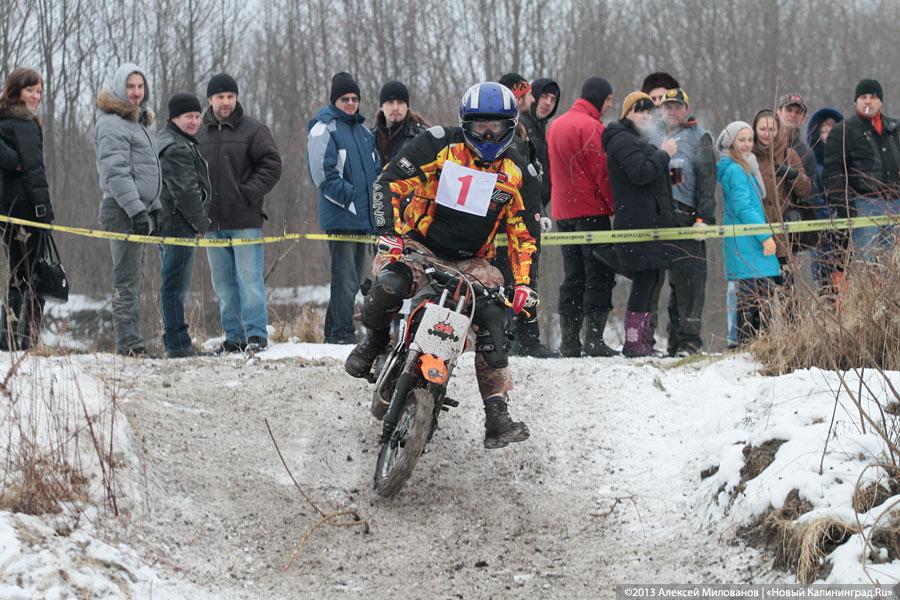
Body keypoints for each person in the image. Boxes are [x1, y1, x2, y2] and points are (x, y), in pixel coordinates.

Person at [346, 81, 538, 449]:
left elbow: (523, 235)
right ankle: (373, 342)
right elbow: (389, 181)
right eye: (480, 124)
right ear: (465, 122)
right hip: (418, 243)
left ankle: (496, 412)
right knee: (389, 284)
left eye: (495, 126)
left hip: (472, 261)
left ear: (510, 126)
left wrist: (525, 286)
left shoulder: (519, 172)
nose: (486, 133)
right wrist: (389, 231)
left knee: (495, 317)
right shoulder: (438, 143)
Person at [198, 73, 282, 353]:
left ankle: (256, 334)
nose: (225, 102)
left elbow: (271, 164)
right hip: (211, 222)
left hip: (245, 220)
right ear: (210, 100)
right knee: (223, 284)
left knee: (250, 280)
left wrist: (247, 192)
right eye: (220, 97)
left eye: (230, 97)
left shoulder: (253, 130)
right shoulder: (199, 133)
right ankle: (234, 336)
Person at [601, 92, 677, 357]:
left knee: (654, 277)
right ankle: (633, 342)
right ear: (626, 113)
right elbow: (641, 173)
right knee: (644, 280)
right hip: (636, 221)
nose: (645, 115)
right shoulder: (621, 139)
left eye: (648, 110)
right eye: (638, 110)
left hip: (651, 220)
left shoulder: (639, 139)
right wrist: (664, 155)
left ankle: (644, 341)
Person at [547, 76, 617, 357]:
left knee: (572, 275)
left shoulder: (555, 125)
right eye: (609, 99)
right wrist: (613, 206)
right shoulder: (592, 127)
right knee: (598, 273)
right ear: (599, 97)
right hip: (591, 210)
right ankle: (594, 340)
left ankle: (569, 342)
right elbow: (601, 172)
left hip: (563, 211)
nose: (611, 104)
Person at [94, 63, 161, 357]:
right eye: (131, 87)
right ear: (120, 88)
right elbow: (116, 172)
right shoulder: (110, 124)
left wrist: (154, 206)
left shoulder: (138, 124)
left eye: (140, 87)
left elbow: (148, 170)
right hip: (121, 210)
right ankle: (129, 345)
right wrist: (135, 210)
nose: (136, 92)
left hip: (139, 210)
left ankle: (134, 341)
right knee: (125, 281)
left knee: (135, 279)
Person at [308, 72, 379, 345]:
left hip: (365, 219)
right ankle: (341, 333)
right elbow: (321, 173)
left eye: (354, 99)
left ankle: (334, 331)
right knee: (346, 279)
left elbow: (375, 172)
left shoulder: (363, 132)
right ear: (335, 100)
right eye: (344, 99)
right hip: (342, 216)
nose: (350, 103)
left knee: (361, 280)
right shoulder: (324, 128)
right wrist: (349, 198)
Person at [651, 88, 717, 356]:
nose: (672, 111)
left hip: (687, 216)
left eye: (677, 106)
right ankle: (671, 340)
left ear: (686, 109)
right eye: (667, 106)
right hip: (658, 218)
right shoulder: (654, 136)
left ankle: (689, 341)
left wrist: (705, 218)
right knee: (668, 283)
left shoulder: (698, 137)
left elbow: (706, 180)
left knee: (691, 282)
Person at [497, 72, 555, 358]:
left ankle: (526, 338)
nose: (533, 100)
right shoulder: (505, 132)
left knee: (527, 276)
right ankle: (513, 338)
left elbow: (535, 174)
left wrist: (540, 208)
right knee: (512, 278)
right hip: (509, 219)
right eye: (528, 95)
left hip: (528, 214)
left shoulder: (526, 130)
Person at [0, 68, 53, 351]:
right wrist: (44, 210)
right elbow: (33, 171)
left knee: (22, 272)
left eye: (39, 91)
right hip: (24, 206)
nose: (36, 96)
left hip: (20, 205)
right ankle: (20, 338)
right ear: (17, 90)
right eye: (31, 90)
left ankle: (19, 336)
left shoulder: (24, 121)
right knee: (29, 274)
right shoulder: (19, 122)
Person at [156, 93, 212, 358]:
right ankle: (178, 343)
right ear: (174, 118)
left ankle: (177, 340)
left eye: (197, 116)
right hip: (178, 224)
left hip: (172, 223)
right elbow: (186, 193)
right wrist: (202, 223)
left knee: (172, 285)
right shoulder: (177, 147)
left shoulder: (174, 140)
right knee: (174, 286)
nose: (194, 121)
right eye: (188, 116)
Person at [716, 122, 781, 344]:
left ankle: (754, 341)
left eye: (749, 140)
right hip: (747, 240)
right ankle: (748, 342)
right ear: (731, 142)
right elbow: (744, 208)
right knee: (753, 295)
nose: (747, 144)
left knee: (755, 292)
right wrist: (765, 237)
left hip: (748, 240)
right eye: (741, 140)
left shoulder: (744, 167)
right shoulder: (736, 170)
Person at [824, 79, 900, 264]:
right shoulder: (843, 131)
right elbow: (833, 172)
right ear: (855, 102)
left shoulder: (895, 128)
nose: (868, 101)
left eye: (873, 97)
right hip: (864, 204)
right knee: (865, 262)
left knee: (894, 262)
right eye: (863, 97)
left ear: (880, 101)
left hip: (896, 203)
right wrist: (844, 206)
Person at [751, 109, 812, 269]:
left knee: (785, 288)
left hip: (782, 235)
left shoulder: (789, 154)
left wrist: (794, 175)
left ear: (778, 131)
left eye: (771, 129)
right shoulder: (748, 156)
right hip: (755, 230)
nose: (767, 134)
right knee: (757, 290)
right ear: (755, 131)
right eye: (762, 129)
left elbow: (805, 191)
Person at [372, 80, 427, 168]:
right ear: (381, 107)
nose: (395, 108)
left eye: (400, 102)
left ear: (407, 106)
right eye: (390, 102)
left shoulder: (422, 136)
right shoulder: (369, 138)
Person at [776, 93, 817, 180]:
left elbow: (813, 190)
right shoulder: (765, 143)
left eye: (798, 112)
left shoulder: (806, 153)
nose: (793, 115)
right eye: (789, 110)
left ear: (803, 117)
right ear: (779, 112)